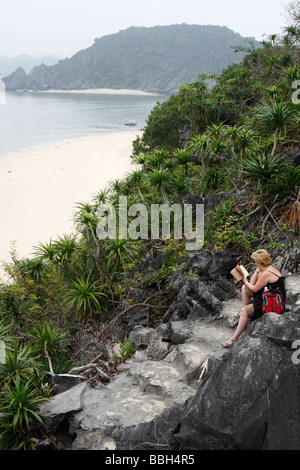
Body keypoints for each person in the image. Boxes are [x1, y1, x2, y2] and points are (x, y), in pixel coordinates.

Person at [222, 249, 286, 348]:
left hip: (270, 303)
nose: (255, 263)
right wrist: (256, 271)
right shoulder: (265, 269)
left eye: (256, 262)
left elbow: (255, 289)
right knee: (244, 288)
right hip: (266, 296)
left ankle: (234, 338)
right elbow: (251, 284)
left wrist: (244, 280)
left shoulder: (267, 273)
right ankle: (247, 314)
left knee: (244, 311)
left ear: (260, 262)